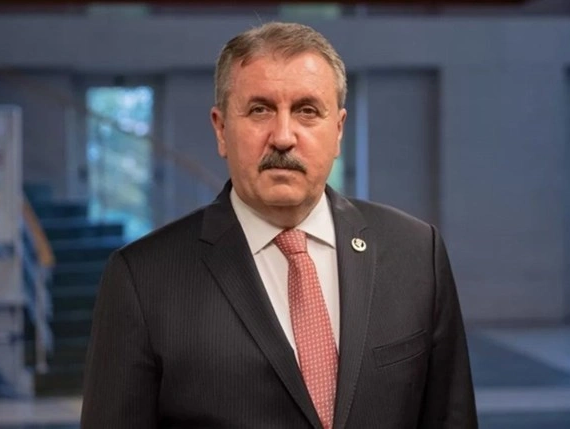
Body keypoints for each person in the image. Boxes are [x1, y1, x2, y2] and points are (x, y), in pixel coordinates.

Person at [81, 22, 477, 429]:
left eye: (307, 111)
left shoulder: (416, 253)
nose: (284, 137)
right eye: (260, 110)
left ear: (338, 130)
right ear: (221, 129)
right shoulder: (142, 279)